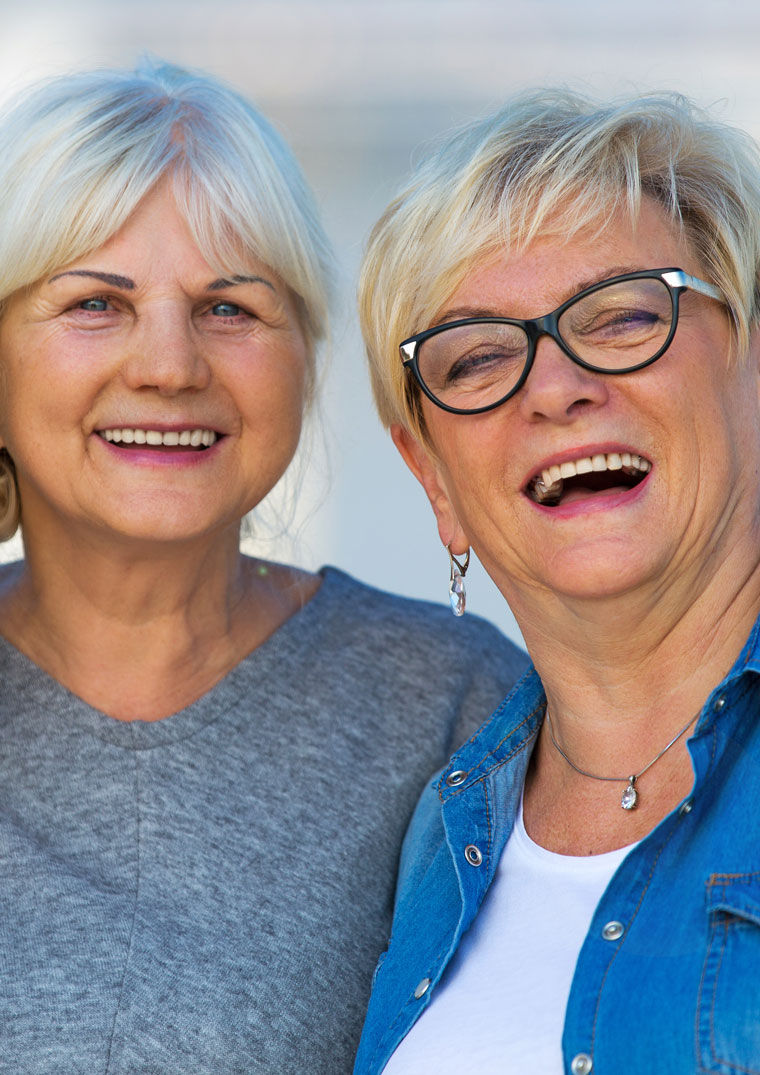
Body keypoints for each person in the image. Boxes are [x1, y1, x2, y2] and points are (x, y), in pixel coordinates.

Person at [0, 61, 528, 1073]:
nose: (169, 364)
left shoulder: (455, 704)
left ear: (303, 358)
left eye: (230, 307)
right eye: (95, 304)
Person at [354, 89, 760, 1074]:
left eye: (623, 316)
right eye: (479, 356)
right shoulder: (434, 832)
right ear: (434, 480)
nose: (556, 386)